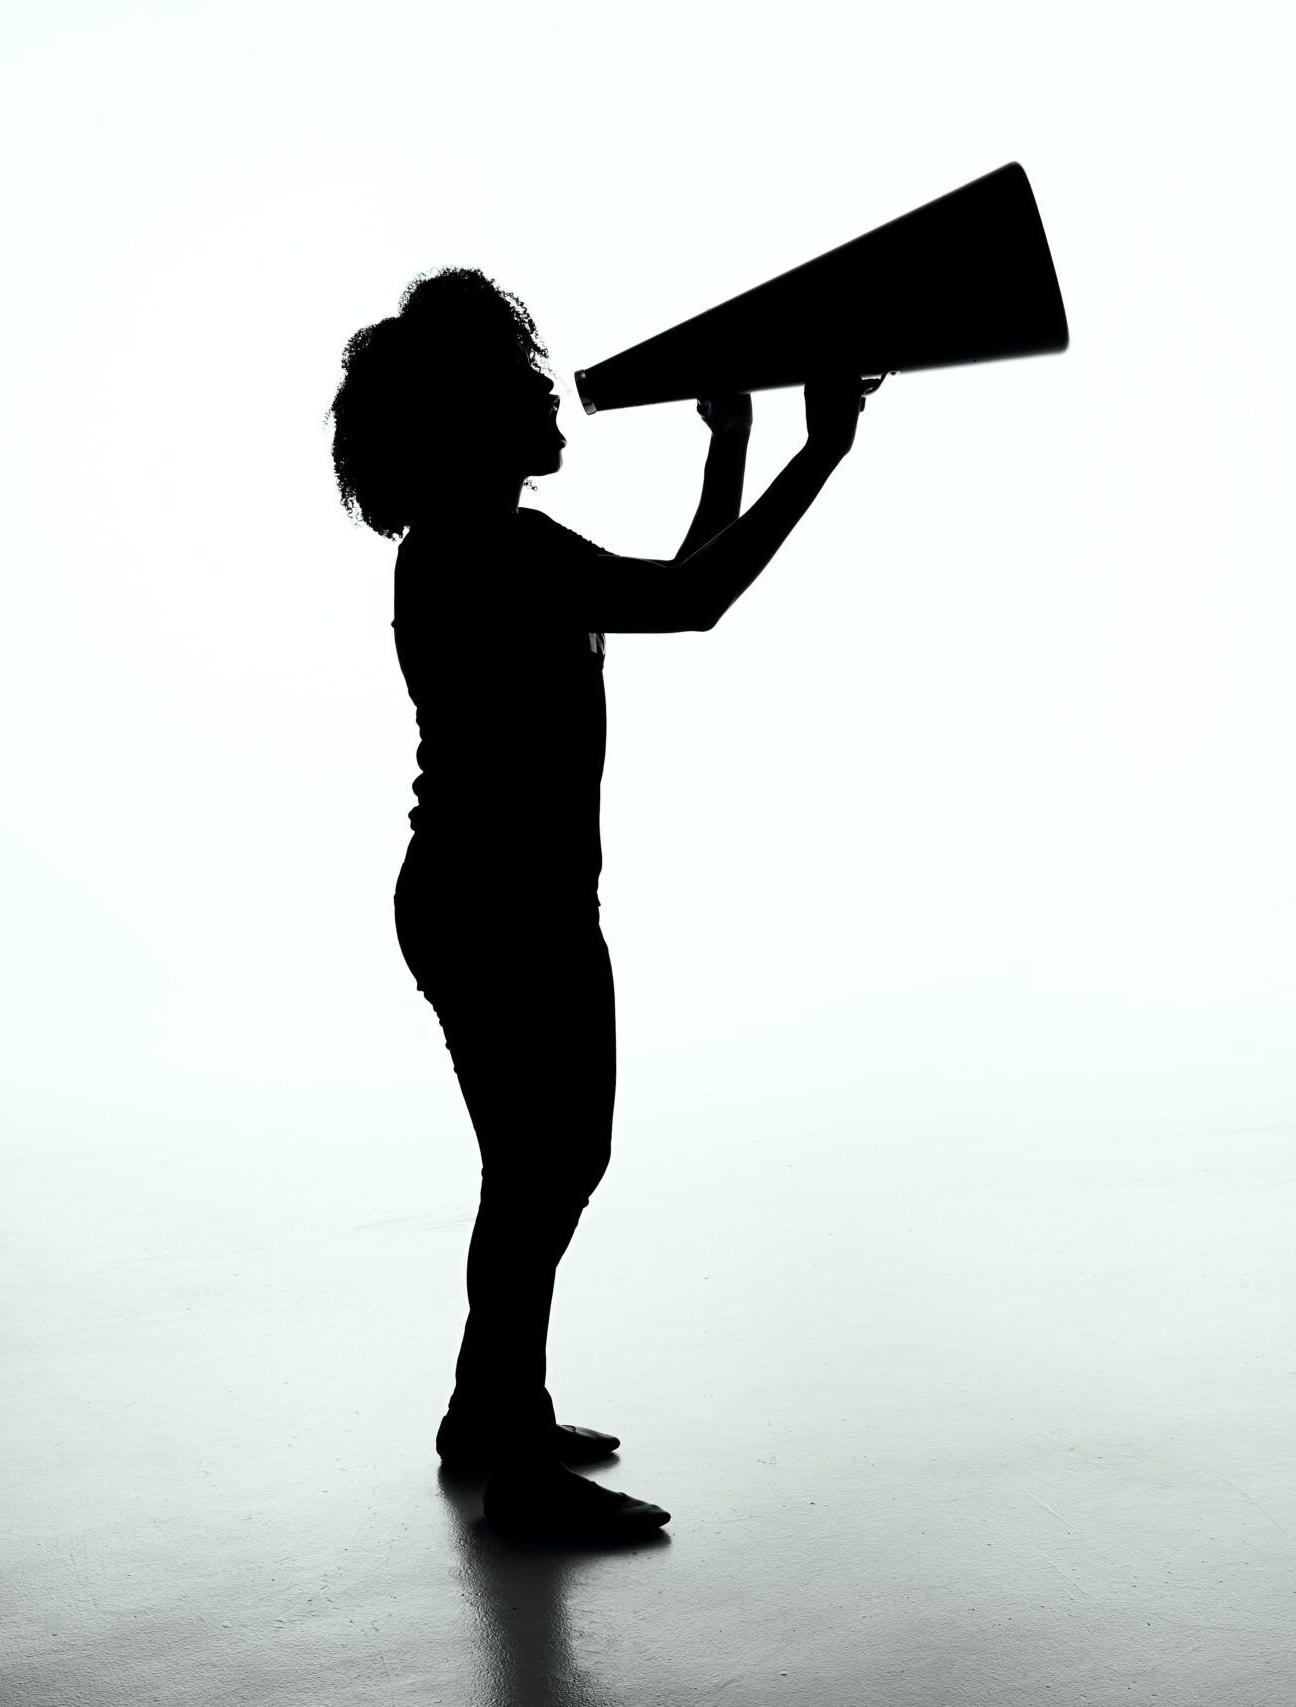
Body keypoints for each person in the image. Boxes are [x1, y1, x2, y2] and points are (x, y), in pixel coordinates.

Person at [329, 268, 864, 1542]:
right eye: (525, 385)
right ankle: (511, 1463)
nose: (553, 396)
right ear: (472, 426)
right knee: (537, 1173)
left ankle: (487, 1410)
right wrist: (821, 449)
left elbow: (678, 576)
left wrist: (732, 443)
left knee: (549, 1168)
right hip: (498, 907)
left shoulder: (483, 547)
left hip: (503, 900)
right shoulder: (494, 552)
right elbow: (696, 601)